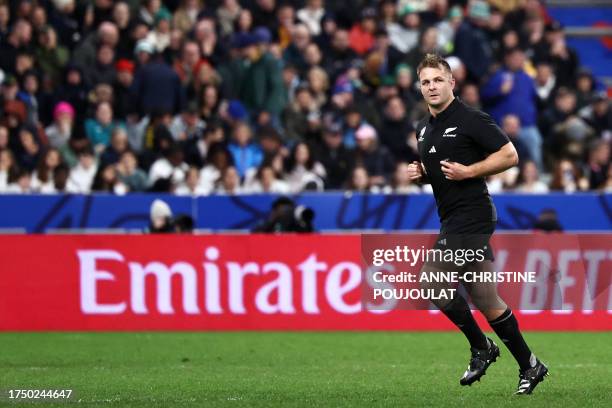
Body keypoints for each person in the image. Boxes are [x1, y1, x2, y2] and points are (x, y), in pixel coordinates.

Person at [407, 54, 548, 395]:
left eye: (438, 80)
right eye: (425, 82)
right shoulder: (423, 129)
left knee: (431, 281)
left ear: (451, 82)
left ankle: (481, 348)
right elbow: (445, 172)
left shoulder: (470, 118)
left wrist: (470, 171)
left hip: (474, 216)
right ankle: (531, 365)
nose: (432, 87)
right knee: (486, 300)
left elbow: (510, 155)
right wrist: (423, 175)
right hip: (452, 218)